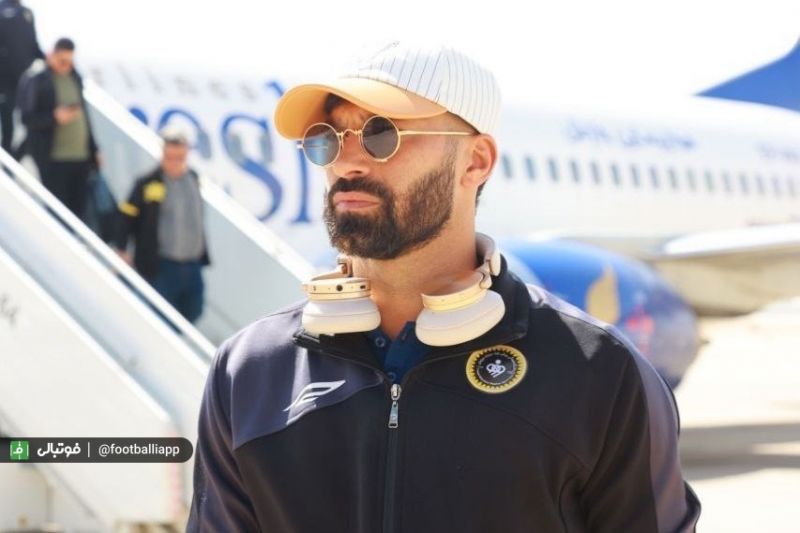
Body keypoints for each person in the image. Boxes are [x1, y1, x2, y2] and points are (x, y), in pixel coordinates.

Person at [187, 41, 701, 532]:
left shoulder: (600, 373)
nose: (347, 162)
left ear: (476, 161)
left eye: (381, 134)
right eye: (328, 138)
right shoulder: (248, 373)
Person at [115, 127, 210, 324]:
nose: (174, 163)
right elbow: (127, 217)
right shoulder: (148, 182)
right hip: (162, 264)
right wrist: (122, 248)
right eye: (169, 157)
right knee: (162, 316)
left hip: (192, 263)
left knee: (194, 310)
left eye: (179, 158)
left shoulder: (193, 178)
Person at [18, 37, 100, 218]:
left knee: (79, 214)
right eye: (62, 61)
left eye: (70, 62)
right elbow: (27, 118)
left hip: (80, 159)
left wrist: (94, 149)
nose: (66, 66)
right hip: (54, 159)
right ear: (51, 55)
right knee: (58, 214)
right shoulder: (37, 79)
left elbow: (85, 117)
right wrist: (54, 117)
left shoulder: (75, 78)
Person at [0, 0, 43, 156]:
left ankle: (15, 158)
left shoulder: (27, 13)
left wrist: (48, 63)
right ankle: (7, 160)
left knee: (35, 123)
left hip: (26, 81)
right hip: (5, 82)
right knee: (8, 127)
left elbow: (33, 44)